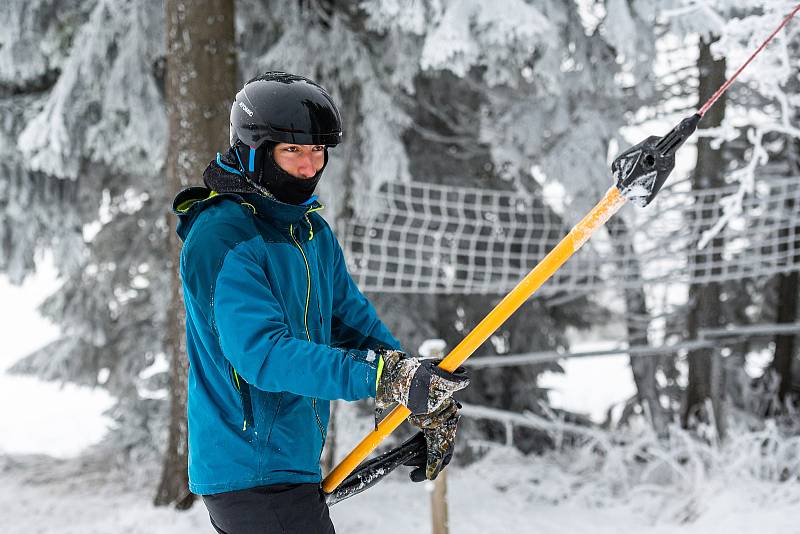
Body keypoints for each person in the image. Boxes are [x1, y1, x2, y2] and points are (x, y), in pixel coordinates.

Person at [172, 71, 470, 534]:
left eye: (318, 151)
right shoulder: (223, 236)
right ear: (254, 150)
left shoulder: (309, 231)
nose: (310, 166)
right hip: (249, 469)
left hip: (289, 463)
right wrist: (379, 377)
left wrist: (414, 385)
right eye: (293, 151)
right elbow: (263, 355)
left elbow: (351, 322)